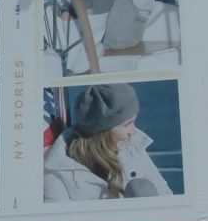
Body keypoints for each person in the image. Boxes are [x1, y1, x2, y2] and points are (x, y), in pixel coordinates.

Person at [43, 82, 171, 201]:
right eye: (127, 124)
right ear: (103, 131)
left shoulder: (134, 148)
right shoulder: (57, 171)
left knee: (140, 188)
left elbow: (166, 197)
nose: (134, 132)